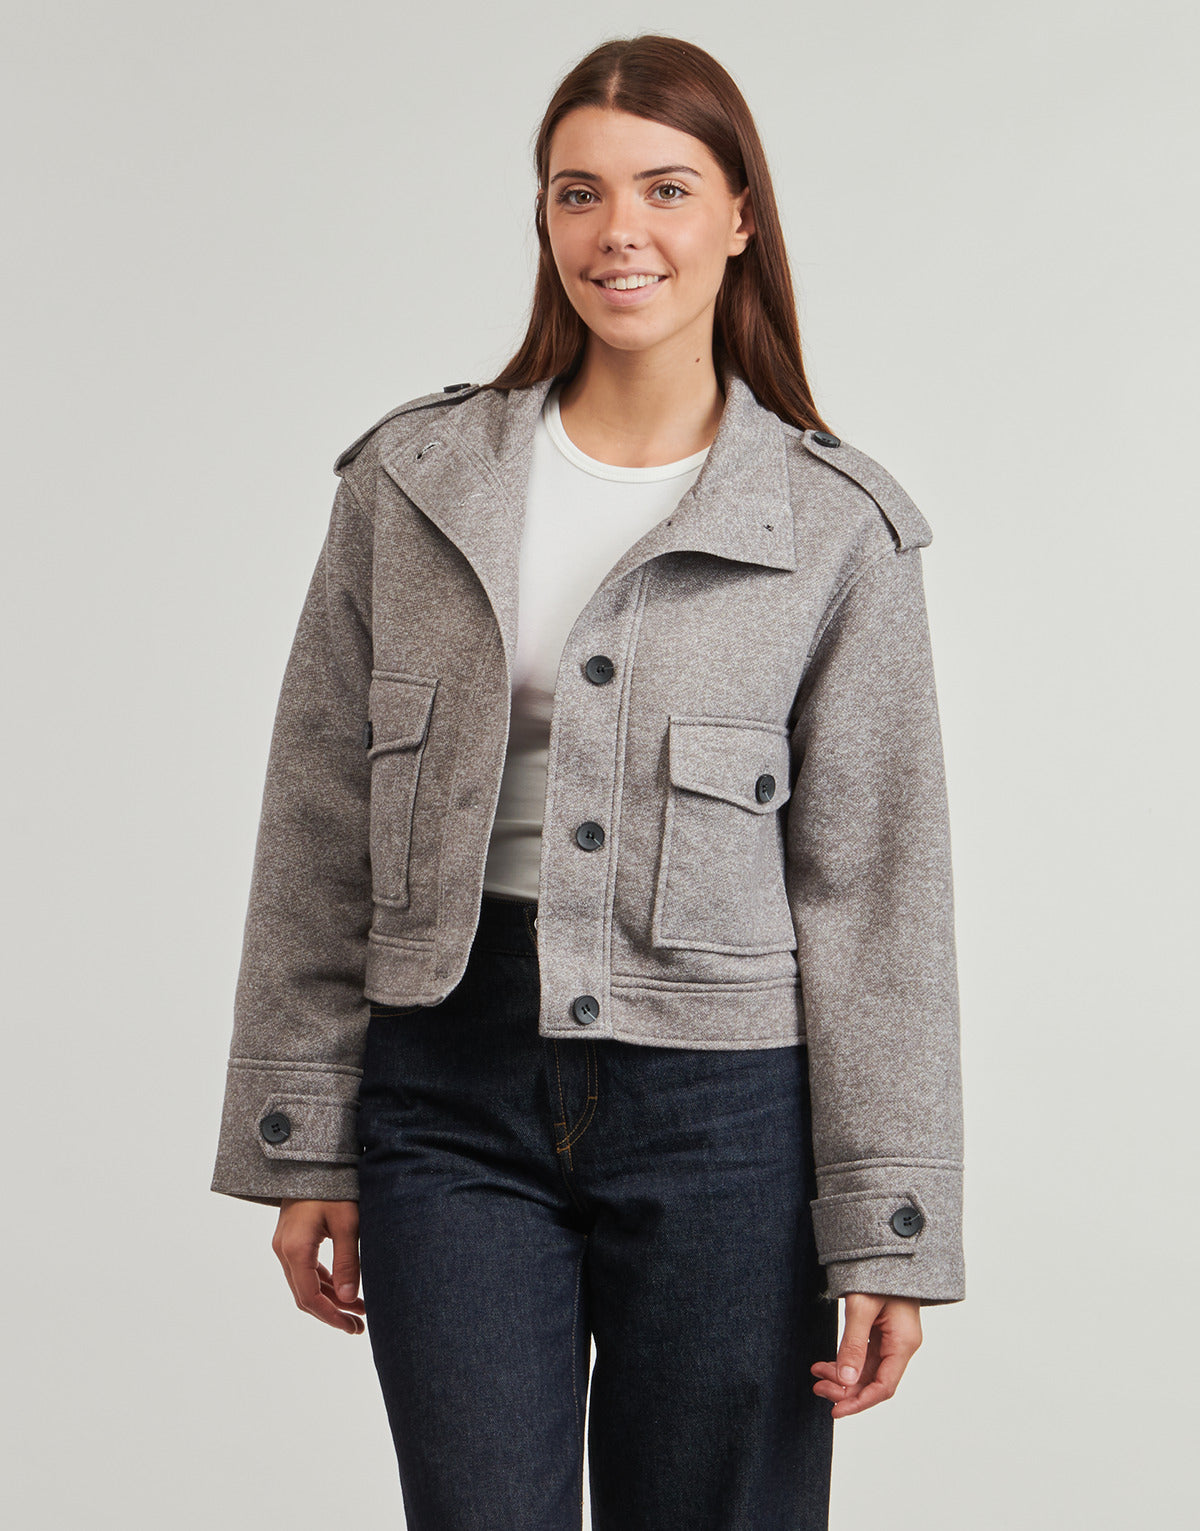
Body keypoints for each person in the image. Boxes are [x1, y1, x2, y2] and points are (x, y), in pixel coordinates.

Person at [211, 32, 965, 1531]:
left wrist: (889, 1223)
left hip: (728, 1113)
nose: (622, 231)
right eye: (580, 193)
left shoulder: (836, 526)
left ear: (739, 216)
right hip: (449, 1086)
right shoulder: (412, 484)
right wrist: (304, 1125)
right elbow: (316, 819)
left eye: (666, 189)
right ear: (545, 219)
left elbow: (877, 889)